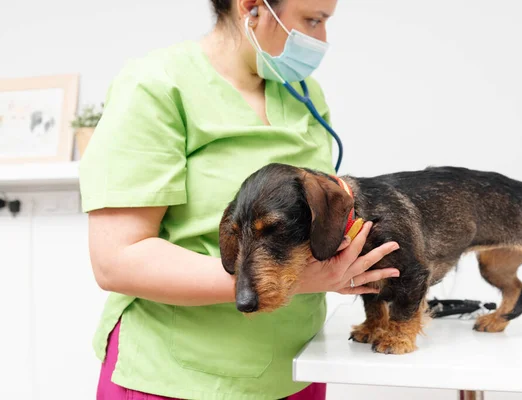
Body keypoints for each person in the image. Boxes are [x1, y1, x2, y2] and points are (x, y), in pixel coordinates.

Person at [79, 1, 400, 399]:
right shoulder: (156, 85)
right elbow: (116, 259)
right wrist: (295, 280)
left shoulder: (304, 94)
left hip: (296, 370)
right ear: (252, 7)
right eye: (312, 21)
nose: (321, 39)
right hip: (180, 379)